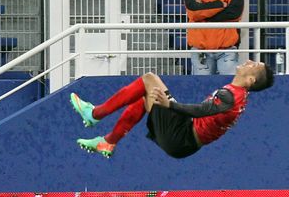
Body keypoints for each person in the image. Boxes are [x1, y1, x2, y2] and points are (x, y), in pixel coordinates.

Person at [69, 60, 273, 159]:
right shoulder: (237, 94)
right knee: (145, 96)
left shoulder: (231, 96)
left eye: (253, 65)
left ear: (251, 79)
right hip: (185, 136)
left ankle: (94, 114)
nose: (249, 62)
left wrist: (170, 105)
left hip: (181, 136)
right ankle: (108, 142)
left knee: (150, 79)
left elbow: (202, 110)